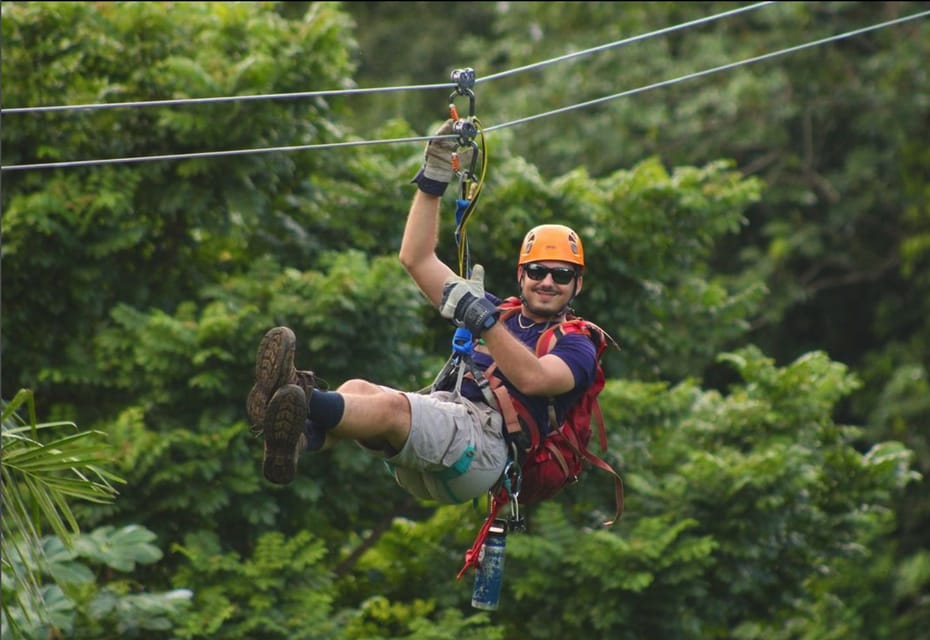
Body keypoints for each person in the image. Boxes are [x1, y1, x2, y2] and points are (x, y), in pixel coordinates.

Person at [246, 120, 599, 505]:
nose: (547, 281)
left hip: (481, 449)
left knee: (394, 408)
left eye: (561, 274)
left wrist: (482, 320)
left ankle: (293, 394)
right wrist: (433, 180)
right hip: (444, 431)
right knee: (359, 388)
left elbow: (534, 379)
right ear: (521, 275)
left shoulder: (578, 346)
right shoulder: (499, 311)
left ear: (577, 284)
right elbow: (416, 258)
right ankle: (299, 438)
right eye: (537, 270)